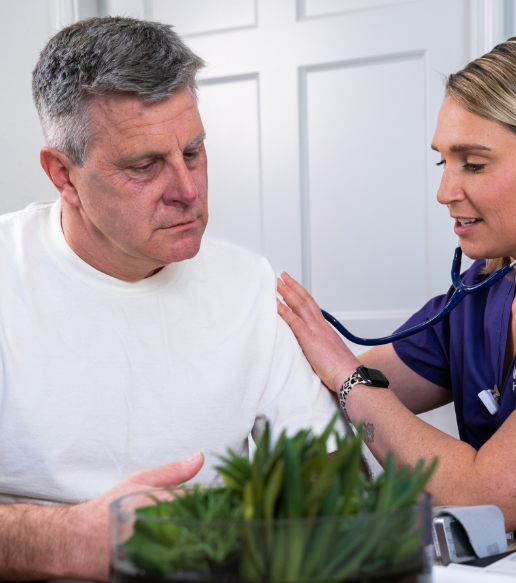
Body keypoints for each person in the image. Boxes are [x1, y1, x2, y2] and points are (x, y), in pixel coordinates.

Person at [0, 17, 341, 581]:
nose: (187, 190)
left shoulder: (247, 285)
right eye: (144, 166)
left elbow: (325, 475)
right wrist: (72, 539)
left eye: (194, 150)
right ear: (63, 174)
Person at [278, 28, 516, 543]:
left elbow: (484, 494)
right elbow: (323, 388)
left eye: (475, 164)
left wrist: (346, 374)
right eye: (444, 161)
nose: (445, 192)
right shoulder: (477, 297)